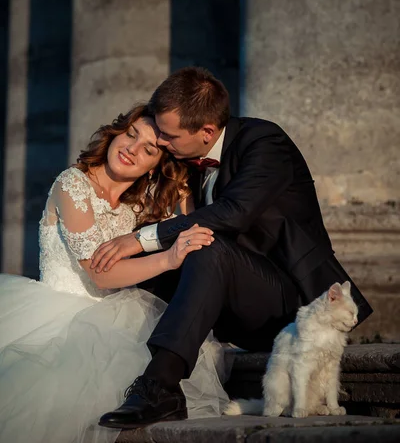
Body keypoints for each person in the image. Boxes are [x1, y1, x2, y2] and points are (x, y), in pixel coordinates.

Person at [95, 66, 373, 430]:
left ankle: (160, 387)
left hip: (290, 309)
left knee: (203, 247)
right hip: (224, 298)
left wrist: (139, 238)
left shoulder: (264, 142)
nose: (161, 142)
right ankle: (110, 372)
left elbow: (235, 212)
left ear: (207, 131)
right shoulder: (186, 159)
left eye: (168, 135)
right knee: (148, 268)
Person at [0, 104, 229, 443]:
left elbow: (191, 230)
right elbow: (101, 276)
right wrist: (168, 259)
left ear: (156, 166)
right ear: (116, 132)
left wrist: (181, 190)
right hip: (57, 322)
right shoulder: (72, 185)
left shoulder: (134, 207)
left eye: (148, 149)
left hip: (114, 319)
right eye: (130, 134)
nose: (131, 149)